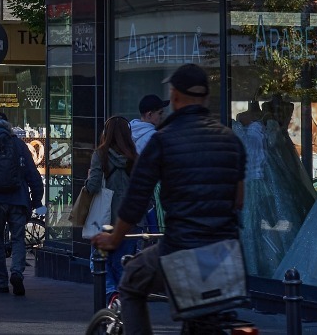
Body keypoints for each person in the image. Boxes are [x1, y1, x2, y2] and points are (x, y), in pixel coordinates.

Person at [91, 65, 246, 335]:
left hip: (180, 248)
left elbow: (136, 199)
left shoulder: (163, 141)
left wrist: (114, 238)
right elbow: (239, 199)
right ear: (207, 98)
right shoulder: (230, 140)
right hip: (225, 253)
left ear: (174, 97)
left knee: (130, 281)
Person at [0, 111, 44, 296]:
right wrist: (37, 200)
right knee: (18, 238)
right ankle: (17, 273)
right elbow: (32, 174)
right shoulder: (19, 145)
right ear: (8, 126)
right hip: (18, 200)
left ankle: (1, 282)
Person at [86, 116, 140, 300]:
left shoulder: (100, 155)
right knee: (121, 266)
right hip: (130, 220)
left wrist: (88, 180)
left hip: (105, 220)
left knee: (97, 263)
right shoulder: (134, 157)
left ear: (106, 133)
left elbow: (92, 186)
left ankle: (111, 295)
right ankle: (121, 305)